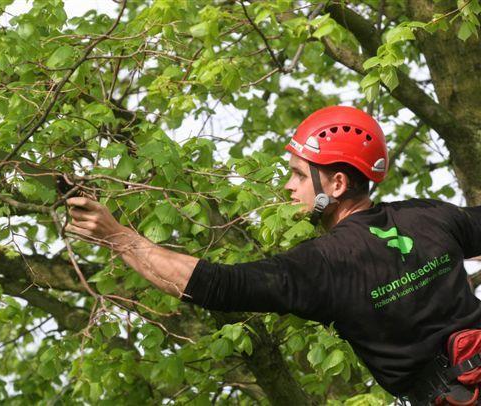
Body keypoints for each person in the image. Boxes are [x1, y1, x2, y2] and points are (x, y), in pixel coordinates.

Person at [63, 106, 481, 404]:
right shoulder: (433, 216)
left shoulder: (325, 265)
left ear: (336, 184)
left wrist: (119, 238)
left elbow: (216, 285)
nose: (288, 187)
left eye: (300, 174)